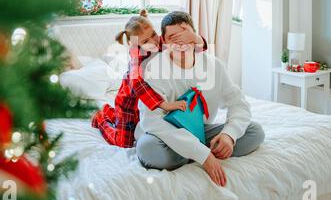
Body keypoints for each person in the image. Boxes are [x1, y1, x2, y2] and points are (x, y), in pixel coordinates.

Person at [135, 11, 265, 187]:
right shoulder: (155, 69)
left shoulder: (214, 65)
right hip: (165, 133)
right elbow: (151, 122)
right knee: (148, 149)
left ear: (195, 37)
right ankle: (200, 151)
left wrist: (228, 136)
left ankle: (196, 150)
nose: (180, 42)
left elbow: (238, 103)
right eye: (173, 37)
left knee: (254, 132)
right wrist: (203, 155)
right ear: (164, 42)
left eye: (185, 35)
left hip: (200, 131)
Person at [91, 10, 206, 148]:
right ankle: (101, 117)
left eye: (153, 34)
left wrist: (196, 38)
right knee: (124, 143)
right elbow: (137, 83)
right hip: (129, 104)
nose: (153, 42)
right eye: (146, 41)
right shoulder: (137, 57)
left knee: (141, 125)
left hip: (145, 104)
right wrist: (163, 104)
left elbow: (196, 48)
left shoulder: (160, 40)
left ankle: (111, 113)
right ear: (136, 44)